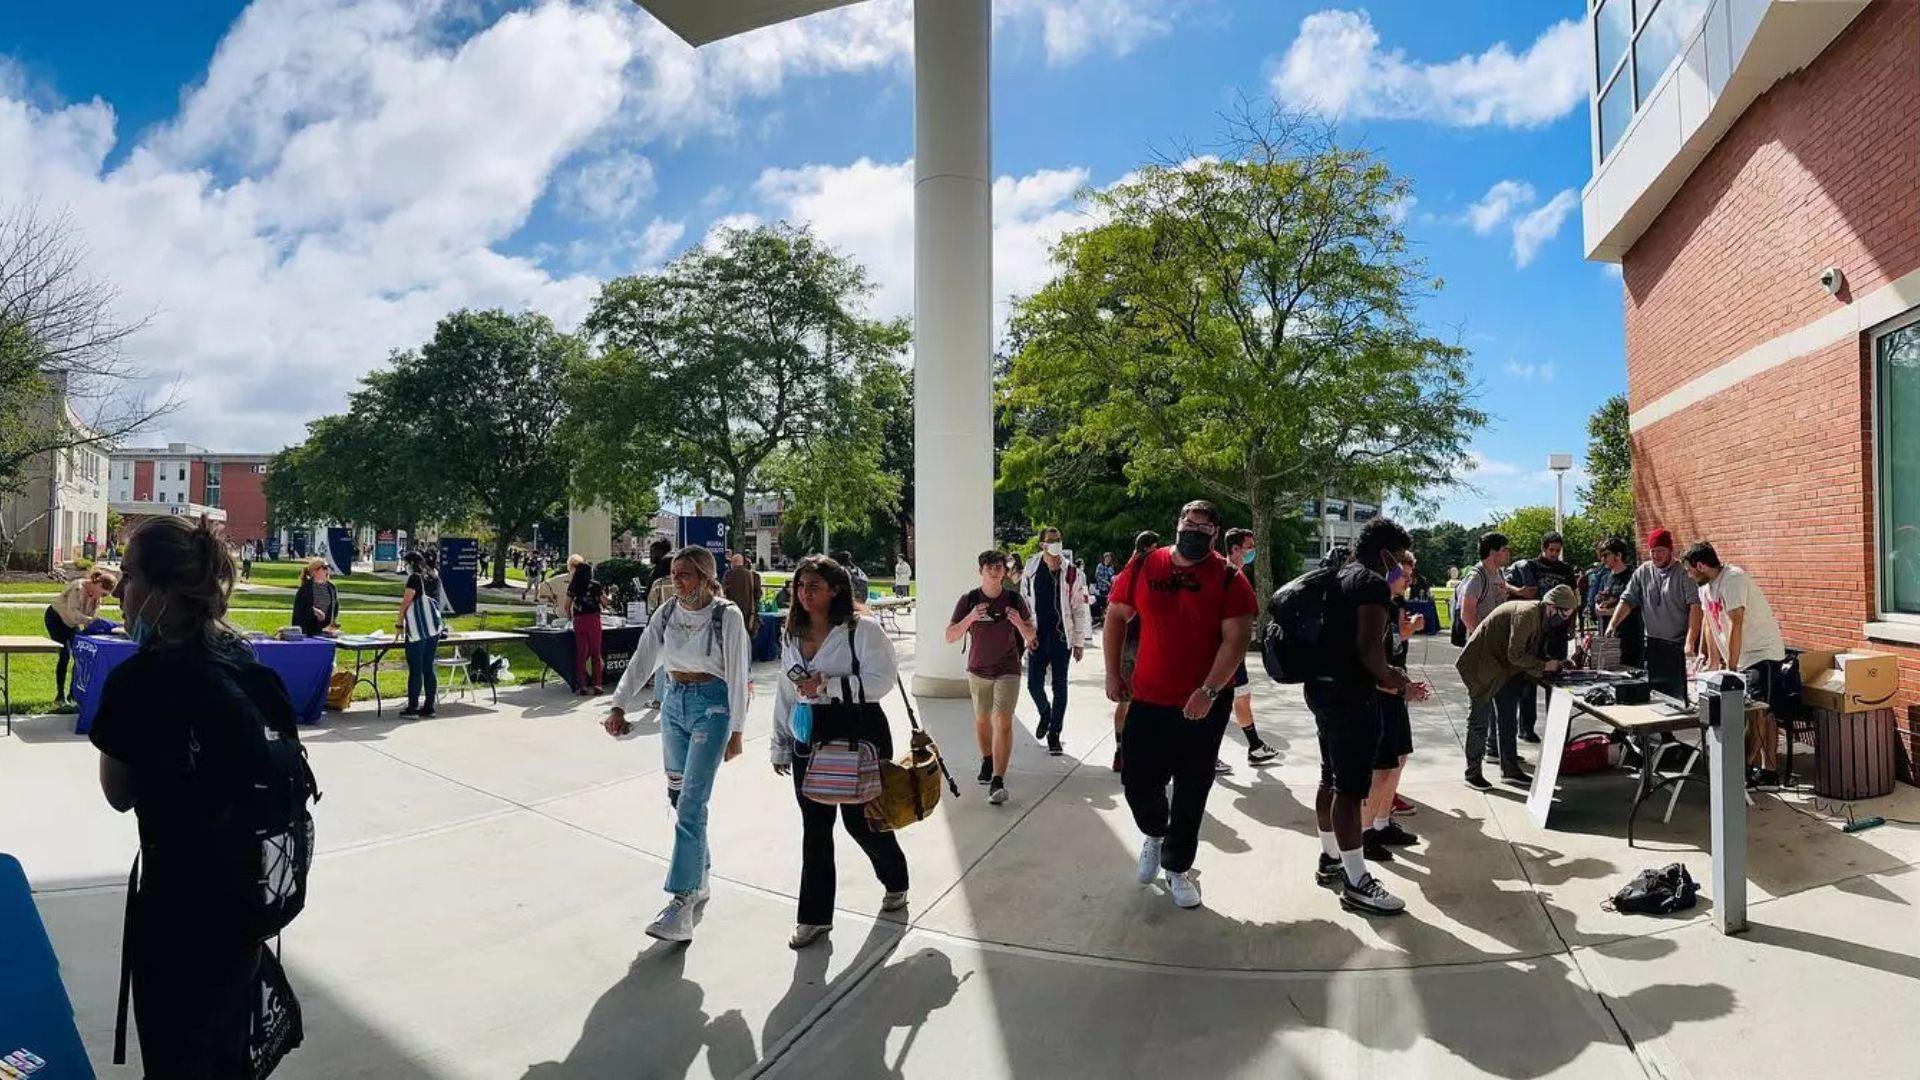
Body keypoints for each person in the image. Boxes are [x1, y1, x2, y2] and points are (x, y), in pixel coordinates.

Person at [90, 516, 305, 1075]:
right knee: (226, 1055)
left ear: (161, 593)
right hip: (243, 910)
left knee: (175, 1057)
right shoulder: (244, 664)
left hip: (176, 915)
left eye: (129, 576)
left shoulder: (138, 681)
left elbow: (117, 793)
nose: (120, 593)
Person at [1103, 501, 1257, 910]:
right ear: (1176, 524)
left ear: (1214, 534)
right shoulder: (1143, 566)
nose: (1192, 530)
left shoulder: (1228, 578)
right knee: (1137, 781)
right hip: (1148, 697)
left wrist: (1208, 690)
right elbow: (1116, 615)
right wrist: (1113, 672)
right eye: (1187, 523)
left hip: (1202, 705)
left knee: (1192, 788)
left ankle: (1177, 866)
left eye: (1202, 527)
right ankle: (1155, 831)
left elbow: (1237, 639)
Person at [604, 546, 751, 942]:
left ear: (706, 576)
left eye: (685, 574)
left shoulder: (727, 615)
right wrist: (619, 704)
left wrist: (737, 729)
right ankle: (700, 875)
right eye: (674, 573)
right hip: (673, 704)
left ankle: (681, 903)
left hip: (712, 708)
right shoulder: (666, 612)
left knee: (691, 803)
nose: (677, 581)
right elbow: (643, 657)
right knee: (678, 796)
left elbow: (739, 674)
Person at [770, 554, 909, 948]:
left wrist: (828, 685)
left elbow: (882, 680)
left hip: (857, 731)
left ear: (836, 590)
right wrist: (780, 742)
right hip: (808, 733)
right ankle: (814, 917)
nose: (804, 594)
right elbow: (786, 689)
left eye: (813, 586)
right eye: (799, 586)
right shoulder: (791, 632)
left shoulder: (861, 629)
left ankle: (895, 878)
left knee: (861, 821)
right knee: (815, 827)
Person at [1303, 519, 1427, 916]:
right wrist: (1398, 681)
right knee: (1351, 790)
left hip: (1321, 689)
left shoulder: (1340, 576)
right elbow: (1371, 651)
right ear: (1387, 553)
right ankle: (1357, 881)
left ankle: (1330, 858)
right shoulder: (1372, 584)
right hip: (1351, 697)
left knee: (1330, 778)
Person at [1457, 584, 1581, 790]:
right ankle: (1472, 774)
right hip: (1482, 666)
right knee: (1479, 720)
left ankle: (1509, 769)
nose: (1565, 619)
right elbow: (1515, 654)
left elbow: (1530, 652)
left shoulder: (1542, 618)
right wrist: (1543, 666)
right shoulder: (1526, 615)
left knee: (1508, 719)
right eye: (1564, 613)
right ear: (1551, 606)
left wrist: (1556, 663)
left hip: (1505, 669)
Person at [1682, 541, 1788, 776]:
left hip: (1762, 653)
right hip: (1740, 655)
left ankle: (1763, 768)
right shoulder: (1705, 586)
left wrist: (1731, 669)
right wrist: (1710, 660)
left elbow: (1736, 624)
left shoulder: (1733, 580)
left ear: (1701, 565)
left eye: (1690, 570)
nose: (1689, 575)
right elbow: (1711, 622)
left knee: (1760, 711)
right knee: (1750, 711)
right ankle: (1744, 767)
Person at [947, 550, 1037, 806]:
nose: (995, 571)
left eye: (999, 567)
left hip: (1008, 668)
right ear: (981, 572)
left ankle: (998, 778)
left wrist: (1020, 623)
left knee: (1003, 720)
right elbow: (950, 635)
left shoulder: (1015, 599)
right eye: (989, 567)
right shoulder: (969, 600)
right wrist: (971, 617)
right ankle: (987, 758)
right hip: (978, 669)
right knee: (983, 720)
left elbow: (1032, 636)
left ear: (1005, 572)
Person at [1361, 549, 1424, 859]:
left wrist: (1404, 686)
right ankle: (1365, 832)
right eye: (1403, 574)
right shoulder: (1373, 610)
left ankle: (1383, 822)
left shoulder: (1392, 605)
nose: (1407, 580)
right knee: (1380, 769)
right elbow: (1365, 661)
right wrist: (1394, 687)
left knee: (1398, 759)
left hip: (1394, 693)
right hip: (1378, 698)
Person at [1020, 527, 1092, 756]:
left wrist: (1079, 642)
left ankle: (1055, 734)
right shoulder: (1031, 569)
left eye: (1058, 539)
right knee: (1033, 684)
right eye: (1051, 540)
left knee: (1060, 687)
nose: (1055, 544)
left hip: (1062, 638)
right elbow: (1024, 605)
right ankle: (1045, 713)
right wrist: (1027, 635)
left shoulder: (1071, 572)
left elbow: (1078, 608)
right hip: (1038, 637)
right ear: (1042, 544)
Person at [1607, 528, 1702, 698]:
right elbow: (1628, 600)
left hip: (1677, 645)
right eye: (1653, 551)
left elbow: (1695, 607)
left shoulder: (1683, 573)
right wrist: (1612, 624)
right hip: (1652, 645)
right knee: (1655, 695)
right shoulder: (1643, 571)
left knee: (1679, 696)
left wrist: (1690, 642)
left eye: (1660, 551)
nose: (1656, 556)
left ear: (1670, 551)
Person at [1504, 532, 1578, 743]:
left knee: (1557, 677)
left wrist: (1571, 624)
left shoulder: (1565, 570)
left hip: (1558, 631)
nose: (1554, 554)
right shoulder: (1528, 566)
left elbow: (1573, 598)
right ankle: (1526, 727)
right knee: (1530, 678)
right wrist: (1520, 591)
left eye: (1558, 550)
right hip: (1534, 629)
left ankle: (1556, 727)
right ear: (1543, 548)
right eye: (1551, 550)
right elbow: (1504, 584)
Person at [1220, 528, 1279, 768]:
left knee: (1242, 697)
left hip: (1234, 652)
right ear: (1234, 549)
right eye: (1249, 546)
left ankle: (1254, 746)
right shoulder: (1226, 575)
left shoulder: (1236, 575)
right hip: (1225, 651)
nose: (1252, 551)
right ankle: (1205, 753)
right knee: (1220, 702)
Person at [1110, 531, 1157, 773]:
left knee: (1125, 701)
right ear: (1151, 548)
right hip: (1144, 643)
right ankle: (1141, 752)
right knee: (1147, 702)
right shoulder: (1152, 573)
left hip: (1124, 644)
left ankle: (1120, 750)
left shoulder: (1122, 574)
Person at [44, 567, 117, 709]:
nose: (102, 597)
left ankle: (73, 695)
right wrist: (91, 621)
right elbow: (73, 613)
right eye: (103, 593)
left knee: (79, 655)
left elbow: (92, 619)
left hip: (73, 623)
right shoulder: (78, 588)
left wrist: (97, 628)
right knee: (65, 654)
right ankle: (60, 696)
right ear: (98, 584)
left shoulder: (97, 599)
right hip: (56, 618)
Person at [396, 551, 446, 717]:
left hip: (417, 628)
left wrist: (399, 623)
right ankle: (429, 706)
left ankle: (413, 707)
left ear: (410, 563)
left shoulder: (414, 578)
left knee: (415, 668)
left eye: (406, 563)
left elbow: (406, 602)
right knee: (428, 667)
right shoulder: (433, 575)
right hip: (433, 627)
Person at [1456, 532, 1515, 637]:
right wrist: (1482, 638)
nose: (1508, 553)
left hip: (1498, 639)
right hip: (1482, 645)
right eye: (1504, 550)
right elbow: (1466, 615)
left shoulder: (1499, 573)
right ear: (1492, 552)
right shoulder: (1476, 577)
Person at [566, 554, 607, 695]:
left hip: (579, 620)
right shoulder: (595, 585)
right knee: (596, 653)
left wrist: (570, 617)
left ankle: (582, 684)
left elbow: (567, 606)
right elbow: (604, 602)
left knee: (581, 654)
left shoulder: (573, 585)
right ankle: (598, 684)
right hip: (593, 619)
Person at [292, 557, 339, 638]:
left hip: (326, 632)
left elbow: (335, 608)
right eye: (324, 568)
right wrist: (315, 613)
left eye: (327, 568)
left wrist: (332, 625)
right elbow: (298, 613)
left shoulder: (331, 587)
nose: (326, 570)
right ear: (314, 572)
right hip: (308, 632)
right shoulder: (305, 588)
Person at [722, 552, 763, 637]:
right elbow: (758, 595)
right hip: (749, 616)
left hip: (732, 615)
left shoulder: (728, 575)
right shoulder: (754, 576)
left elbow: (724, 594)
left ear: (733, 563)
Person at [1092, 551, 1119, 625]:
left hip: (1108, 589)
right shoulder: (1100, 566)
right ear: (1104, 558)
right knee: (1099, 602)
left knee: (1107, 603)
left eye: (1110, 558)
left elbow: (1112, 576)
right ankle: (1096, 617)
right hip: (1101, 588)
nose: (1108, 559)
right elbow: (1098, 577)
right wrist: (1106, 582)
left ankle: (1104, 619)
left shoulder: (1111, 567)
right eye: (1107, 558)